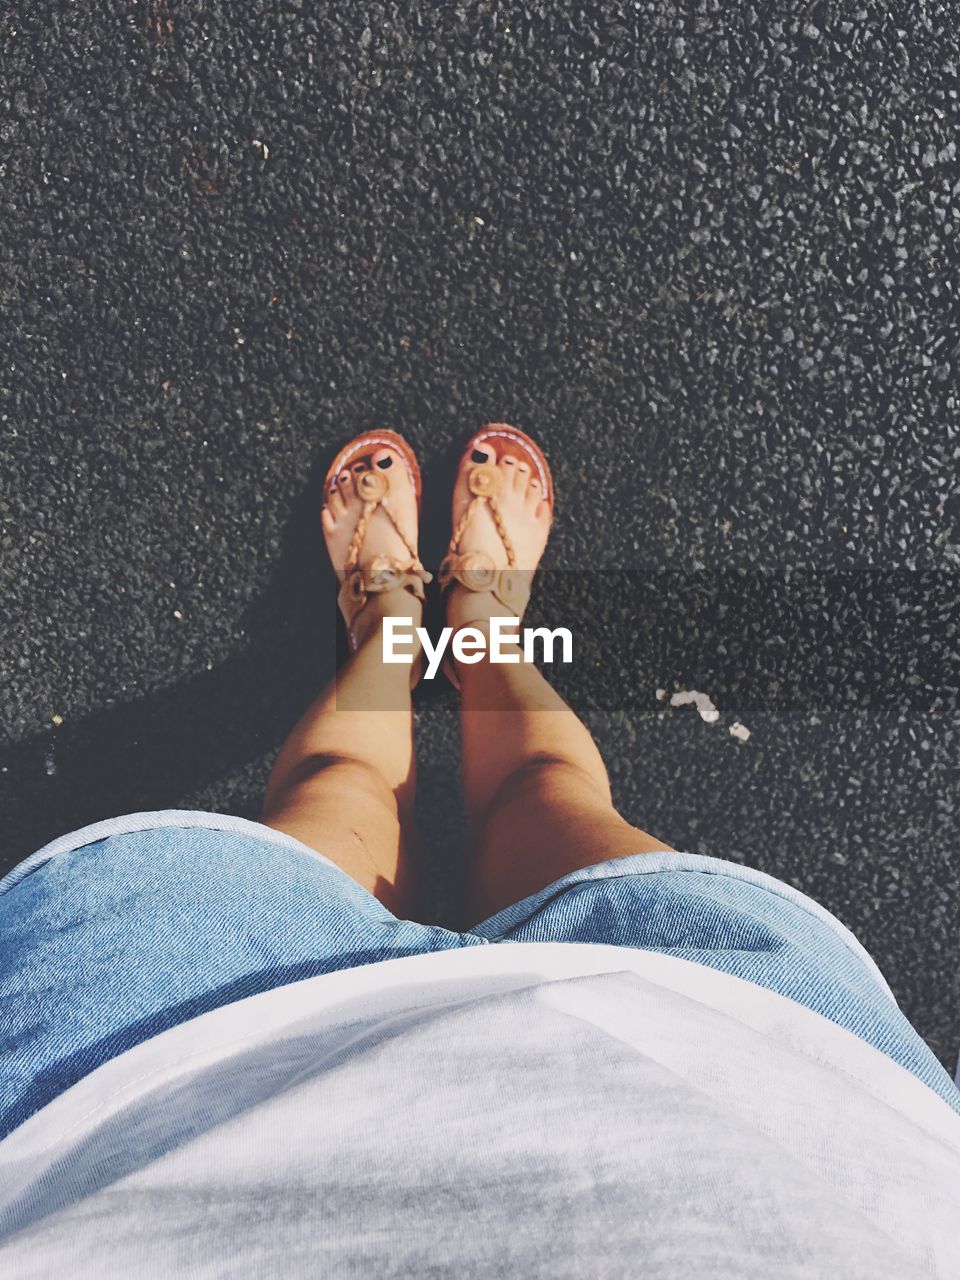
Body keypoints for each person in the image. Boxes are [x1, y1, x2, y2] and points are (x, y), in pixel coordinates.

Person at [0, 423, 957, 1278]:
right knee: (548, 800)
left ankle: (393, 628)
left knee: (338, 787)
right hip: (755, 1094)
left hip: (150, 1087)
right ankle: (479, 629)